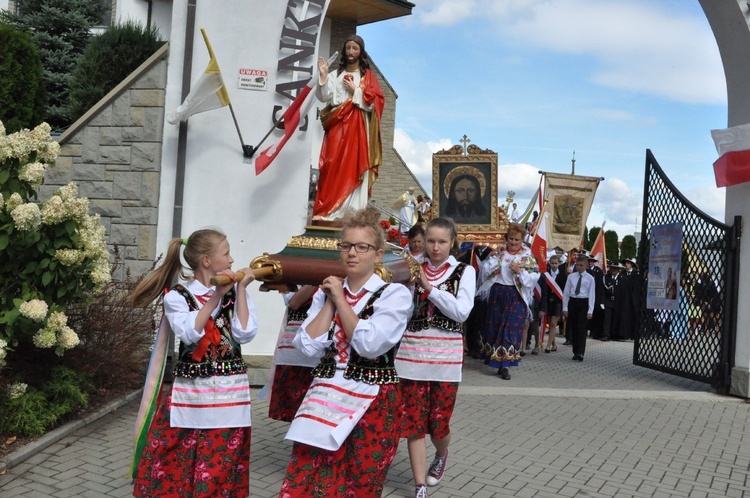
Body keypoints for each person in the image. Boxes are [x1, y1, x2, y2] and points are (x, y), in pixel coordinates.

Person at [278, 208, 413, 497]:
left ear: (377, 255)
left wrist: (340, 299)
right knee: (307, 477)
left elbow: (370, 345)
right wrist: (329, 301)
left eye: (362, 247)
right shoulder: (326, 293)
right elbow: (306, 345)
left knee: (359, 483)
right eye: (347, 246)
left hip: (372, 398)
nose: (352, 253)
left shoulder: (394, 295)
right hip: (325, 393)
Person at [129, 229, 258, 498]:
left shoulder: (235, 293)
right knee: (175, 460)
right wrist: (215, 297)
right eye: (226, 253)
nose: (233, 260)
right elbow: (189, 332)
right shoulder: (177, 297)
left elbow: (245, 333)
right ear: (207, 261)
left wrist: (241, 290)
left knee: (221, 466)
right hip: (190, 395)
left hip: (229, 396)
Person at [395, 218, 476, 498]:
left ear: (453, 241)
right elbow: (404, 313)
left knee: (439, 424)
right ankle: (419, 485)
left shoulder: (464, 271)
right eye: (430, 241)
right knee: (413, 423)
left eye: (442, 241)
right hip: (410, 356)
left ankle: (441, 454)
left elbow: (461, 312)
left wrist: (429, 288)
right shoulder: (411, 269)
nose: (435, 247)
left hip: (446, 359)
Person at [312, 35, 385, 222]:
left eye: (355, 48)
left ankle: (349, 213)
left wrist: (356, 91)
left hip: (357, 129)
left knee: (353, 166)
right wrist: (323, 75)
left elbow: (376, 102)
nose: (351, 52)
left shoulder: (367, 77)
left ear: (361, 51)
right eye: (348, 48)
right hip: (337, 126)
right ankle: (328, 211)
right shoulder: (336, 75)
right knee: (331, 166)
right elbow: (324, 96)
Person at [478, 223, 540, 380]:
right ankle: (495, 360)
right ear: (506, 238)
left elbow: (532, 280)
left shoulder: (527, 258)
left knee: (511, 329)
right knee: (495, 327)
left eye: (517, 240)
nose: (513, 242)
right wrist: (497, 259)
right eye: (511, 239)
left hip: (516, 296)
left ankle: (505, 365)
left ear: (522, 241)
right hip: (498, 293)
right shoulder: (498, 253)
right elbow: (485, 272)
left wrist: (519, 271)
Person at [266, 285, 319, 422]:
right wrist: (316, 278)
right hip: (296, 351)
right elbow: (294, 303)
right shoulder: (294, 271)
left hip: (328, 347)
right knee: (297, 411)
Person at [562, 255, 596, 362]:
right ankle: (575, 351)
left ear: (586, 266)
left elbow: (591, 295)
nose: (578, 267)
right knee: (574, 327)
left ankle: (580, 352)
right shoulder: (571, 277)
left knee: (582, 328)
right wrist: (565, 308)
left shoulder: (590, 278)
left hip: (583, 302)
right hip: (573, 301)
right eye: (577, 265)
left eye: (581, 265)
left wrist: (590, 310)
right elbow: (566, 293)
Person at [540, 254, 566, 352]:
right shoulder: (546, 275)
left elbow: (564, 290)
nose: (554, 265)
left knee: (554, 323)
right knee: (550, 324)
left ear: (559, 264)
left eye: (556, 263)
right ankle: (554, 344)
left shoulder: (563, 276)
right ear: (549, 263)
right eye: (552, 263)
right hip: (548, 301)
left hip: (558, 301)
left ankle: (548, 346)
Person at [601, 261, 623, 341]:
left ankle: (615, 334)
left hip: (618, 302)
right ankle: (606, 335)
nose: (613, 270)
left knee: (616, 319)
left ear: (618, 269)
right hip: (608, 301)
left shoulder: (622, 278)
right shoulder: (606, 277)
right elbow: (603, 291)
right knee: (607, 319)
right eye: (612, 268)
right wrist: (602, 302)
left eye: (615, 268)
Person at [587, 255, 606, 339]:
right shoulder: (585, 270)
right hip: (585, 295)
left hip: (595, 294)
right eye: (588, 261)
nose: (590, 262)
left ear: (594, 262)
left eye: (591, 261)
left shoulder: (598, 271)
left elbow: (600, 286)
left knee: (594, 314)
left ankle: (593, 331)